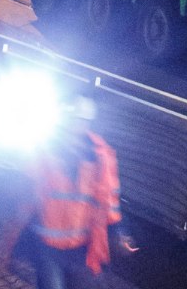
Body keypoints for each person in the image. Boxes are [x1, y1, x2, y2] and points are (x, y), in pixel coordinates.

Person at [27, 97, 130, 287]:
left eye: (80, 121)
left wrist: (118, 230)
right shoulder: (45, 149)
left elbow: (110, 199)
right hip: (48, 247)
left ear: (87, 124)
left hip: (81, 247)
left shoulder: (101, 157)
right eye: (71, 120)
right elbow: (27, 190)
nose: (74, 126)